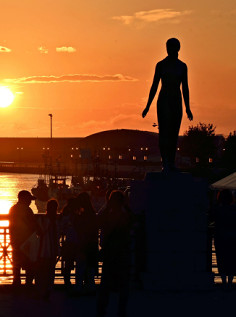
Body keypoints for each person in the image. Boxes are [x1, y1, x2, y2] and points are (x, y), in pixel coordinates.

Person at [142, 38, 193, 172]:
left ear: (178, 48)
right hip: (164, 100)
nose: (168, 49)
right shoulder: (161, 65)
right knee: (164, 133)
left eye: (171, 47)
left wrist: (188, 107)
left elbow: (185, 87)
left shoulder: (182, 66)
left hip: (176, 100)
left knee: (174, 133)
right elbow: (154, 86)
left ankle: (171, 162)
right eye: (167, 47)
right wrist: (147, 106)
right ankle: (165, 162)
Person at [96, 190, 133, 317]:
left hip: (109, 253)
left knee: (105, 284)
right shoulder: (126, 214)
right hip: (122, 254)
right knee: (123, 285)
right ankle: (121, 311)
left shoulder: (106, 213)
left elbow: (98, 222)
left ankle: (102, 310)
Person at [9, 190, 40, 286]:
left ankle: (16, 283)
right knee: (29, 265)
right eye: (29, 199)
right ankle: (28, 285)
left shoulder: (13, 209)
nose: (30, 202)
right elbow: (33, 225)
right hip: (26, 241)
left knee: (16, 264)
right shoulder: (27, 210)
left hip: (15, 240)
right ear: (24, 199)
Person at [211, 189, 236, 289]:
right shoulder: (234, 210)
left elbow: (212, 219)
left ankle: (224, 282)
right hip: (233, 237)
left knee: (221, 259)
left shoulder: (218, 210)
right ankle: (230, 282)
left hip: (221, 237)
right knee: (232, 259)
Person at [74, 192, 98, 293]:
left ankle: (79, 287)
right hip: (91, 244)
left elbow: (79, 228)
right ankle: (90, 287)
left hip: (82, 243)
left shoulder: (80, 214)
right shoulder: (92, 214)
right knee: (90, 267)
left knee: (80, 267)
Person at [36, 199, 59, 299]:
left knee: (43, 271)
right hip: (51, 249)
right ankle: (48, 290)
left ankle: (42, 290)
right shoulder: (55, 221)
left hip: (43, 250)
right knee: (50, 271)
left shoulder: (42, 220)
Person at [59, 197, 79, 288]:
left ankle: (67, 282)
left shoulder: (64, 215)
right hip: (76, 241)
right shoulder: (76, 216)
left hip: (68, 242)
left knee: (68, 264)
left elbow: (62, 228)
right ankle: (77, 282)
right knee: (77, 263)